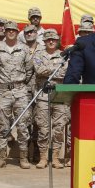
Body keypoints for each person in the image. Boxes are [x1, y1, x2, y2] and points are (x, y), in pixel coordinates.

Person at [0, 20, 34, 169]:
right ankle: (1, 157)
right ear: (4, 31)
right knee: (2, 125)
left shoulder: (24, 49)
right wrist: (0, 85)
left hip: (20, 91)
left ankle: (23, 158)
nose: (10, 32)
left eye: (13, 30)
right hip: (3, 91)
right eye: (8, 30)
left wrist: (19, 84)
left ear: (17, 32)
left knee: (23, 125)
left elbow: (29, 70)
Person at [33, 29, 69, 169]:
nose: (51, 41)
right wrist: (54, 68)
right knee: (43, 128)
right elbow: (38, 70)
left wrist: (47, 69)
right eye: (48, 39)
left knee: (58, 128)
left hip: (59, 95)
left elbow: (64, 73)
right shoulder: (38, 54)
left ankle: (54, 157)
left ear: (57, 40)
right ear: (45, 41)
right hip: (43, 95)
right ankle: (43, 157)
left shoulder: (64, 55)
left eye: (54, 39)